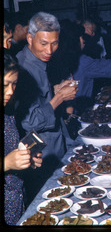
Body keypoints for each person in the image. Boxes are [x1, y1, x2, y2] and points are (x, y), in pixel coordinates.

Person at [14, 12, 78, 205]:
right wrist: (59, 97)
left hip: (56, 144)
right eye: (43, 43)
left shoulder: (39, 61)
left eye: (55, 43)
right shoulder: (22, 68)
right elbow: (29, 121)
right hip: (41, 153)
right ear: (29, 38)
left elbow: (39, 98)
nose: (49, 50)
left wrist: (54, 90)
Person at [4, 53, 42, 225]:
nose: (10, 92)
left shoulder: (8, 112)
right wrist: (6, 163)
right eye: (4, 85)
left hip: (16, 202)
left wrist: (27, 159)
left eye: (14, 84)